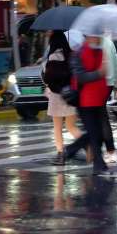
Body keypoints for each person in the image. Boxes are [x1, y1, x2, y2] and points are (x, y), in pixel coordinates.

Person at [64, 28, 111, 175]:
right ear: (88, 36)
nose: (97, 38)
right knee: (94, 133)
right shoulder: (78, 53)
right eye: (95, 35)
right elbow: (80, 77)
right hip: (85, 99)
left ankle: (71, 149)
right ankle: (99, 165)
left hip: (99, 98)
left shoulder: (100, 51)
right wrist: (99, 73)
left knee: (98, 134)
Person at [42, 31, 82, 165]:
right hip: (70, 95)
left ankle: (60, 155)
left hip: (56, 96)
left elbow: (48, 77)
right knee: (71, 126)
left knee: (57, 128)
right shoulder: (72, 55)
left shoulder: (53, 57)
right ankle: (89, 148)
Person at [101, 35, 117, 163]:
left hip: (98, 83)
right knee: (100, 116)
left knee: (100, 118)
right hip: (109, 83)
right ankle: (109, 150)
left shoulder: (91, 44)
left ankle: (110, 150)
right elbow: (116, 63)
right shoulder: (109, 42)